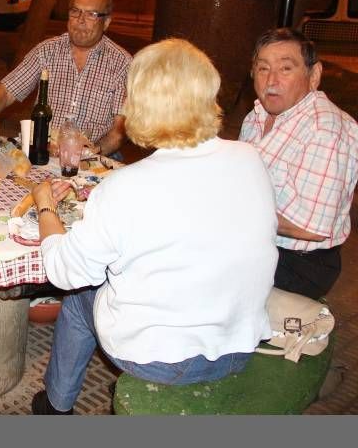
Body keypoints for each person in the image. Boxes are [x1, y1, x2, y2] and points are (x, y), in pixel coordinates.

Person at [30, 38, 278, 415]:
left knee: (79, 298)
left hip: (162, 360)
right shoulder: (250, 158)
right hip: (240, 346)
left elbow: (64, 271)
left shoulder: (126, 186)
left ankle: (55, 406)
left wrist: (45, 205)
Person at [239, 28, 358, 299]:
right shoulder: (255, 117)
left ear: (313, 76)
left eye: (286, 68)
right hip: (259, 243)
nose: (271, 80)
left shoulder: (325, 130)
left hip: (299, 263)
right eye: (263, 68)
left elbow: (311, 228)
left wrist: (232, 212)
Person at [0, 0, 131, 157]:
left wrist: (90, 152)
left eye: (91, 14)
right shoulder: (47, 51)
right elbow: (7, 92)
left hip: (97, 156)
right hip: (44, 152)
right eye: (75, 11)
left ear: (107, 22)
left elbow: (119, 130)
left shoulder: (121, 63)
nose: (80, 20)